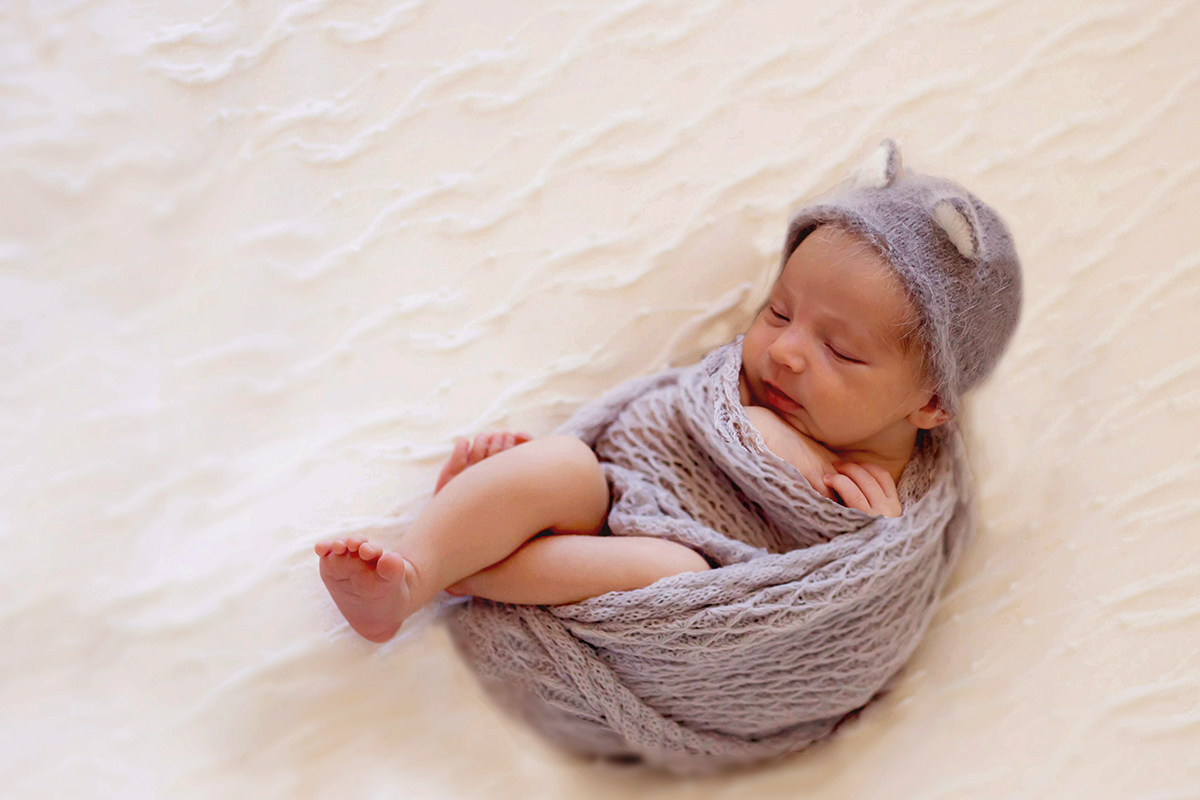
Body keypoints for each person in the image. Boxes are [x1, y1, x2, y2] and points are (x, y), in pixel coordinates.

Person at [314, 140, 1021, 644]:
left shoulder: (905, 501)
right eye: (777, 312)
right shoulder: (753, 388)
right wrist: (770, 438)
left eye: (839, 349)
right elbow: (676, 414)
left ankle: (473, 569)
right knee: (560, 463)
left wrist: (870, 530)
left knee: (671, 565)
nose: (786, 351)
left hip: (680, 578)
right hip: (619, 495)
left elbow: (857, 604)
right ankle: (416, 570)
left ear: (931, 403)